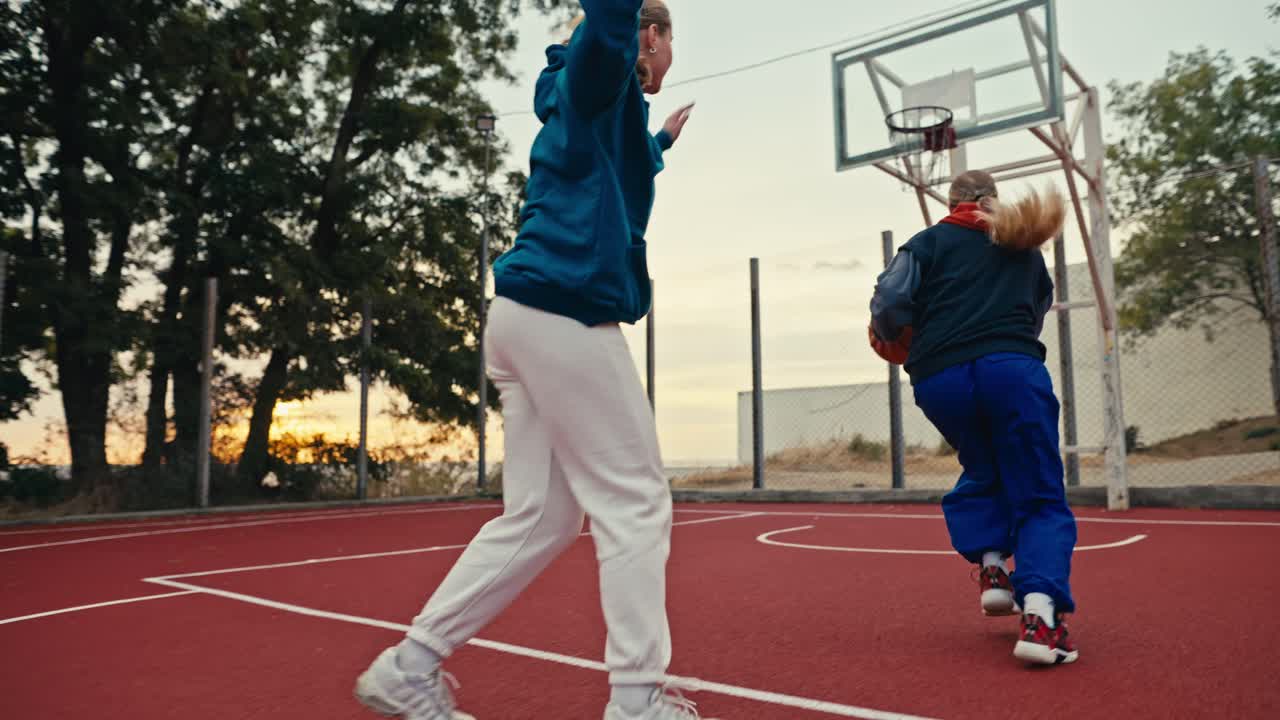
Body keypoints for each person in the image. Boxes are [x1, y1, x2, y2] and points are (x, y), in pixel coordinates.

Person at [354, 1, 708, 718]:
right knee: (636, 503)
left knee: (542, 518)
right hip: (564, 312)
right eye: (665, 33)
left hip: (518, 317)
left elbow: (615, 165)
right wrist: (618, 22)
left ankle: (408, 666)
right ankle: (638, 701)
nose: (668, 48)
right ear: (651, 36)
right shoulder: (597, 76)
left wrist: (660, 146)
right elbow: (608, 34)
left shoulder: (600, 115)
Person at [868, 170, 1080, 666]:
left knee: (984, 466)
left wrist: (893, 333)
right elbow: (1039, 306)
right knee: (1038, 490)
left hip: (939, 378)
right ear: (993, 200)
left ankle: (991, 568)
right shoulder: (1024, 249)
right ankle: (1042, 620)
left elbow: (890, 300)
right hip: (1009, 368)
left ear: (951, 201)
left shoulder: (925, 243)